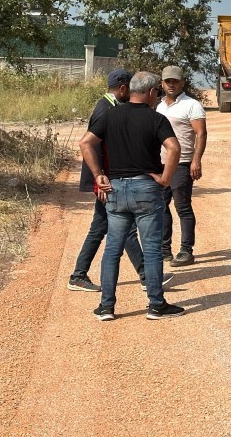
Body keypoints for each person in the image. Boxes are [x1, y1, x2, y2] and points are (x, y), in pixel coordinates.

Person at [78, 71, 185, 320]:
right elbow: (174, 148)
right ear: (149, 92)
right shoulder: (156, 119)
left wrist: (98, 175)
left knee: (112, 249)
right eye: (156, 92)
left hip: (115, 188)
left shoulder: (110, 114)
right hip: (146, 188)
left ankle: (106, 306)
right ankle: (156, 305)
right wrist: (166, 178)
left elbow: (85, 143)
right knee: (151, 249)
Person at [157, 65, 207, 266]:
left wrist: (196, 159)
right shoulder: (159, 106)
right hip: (161, 163)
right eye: (168, 81)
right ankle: (164, 249)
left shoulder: (192, 105)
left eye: (175, 81)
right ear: (162, 83)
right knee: (161, 206)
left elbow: (201, 134)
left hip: (182, 163)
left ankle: (186, 250)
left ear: (182, 83)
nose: (171, 84)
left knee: (182, 207)